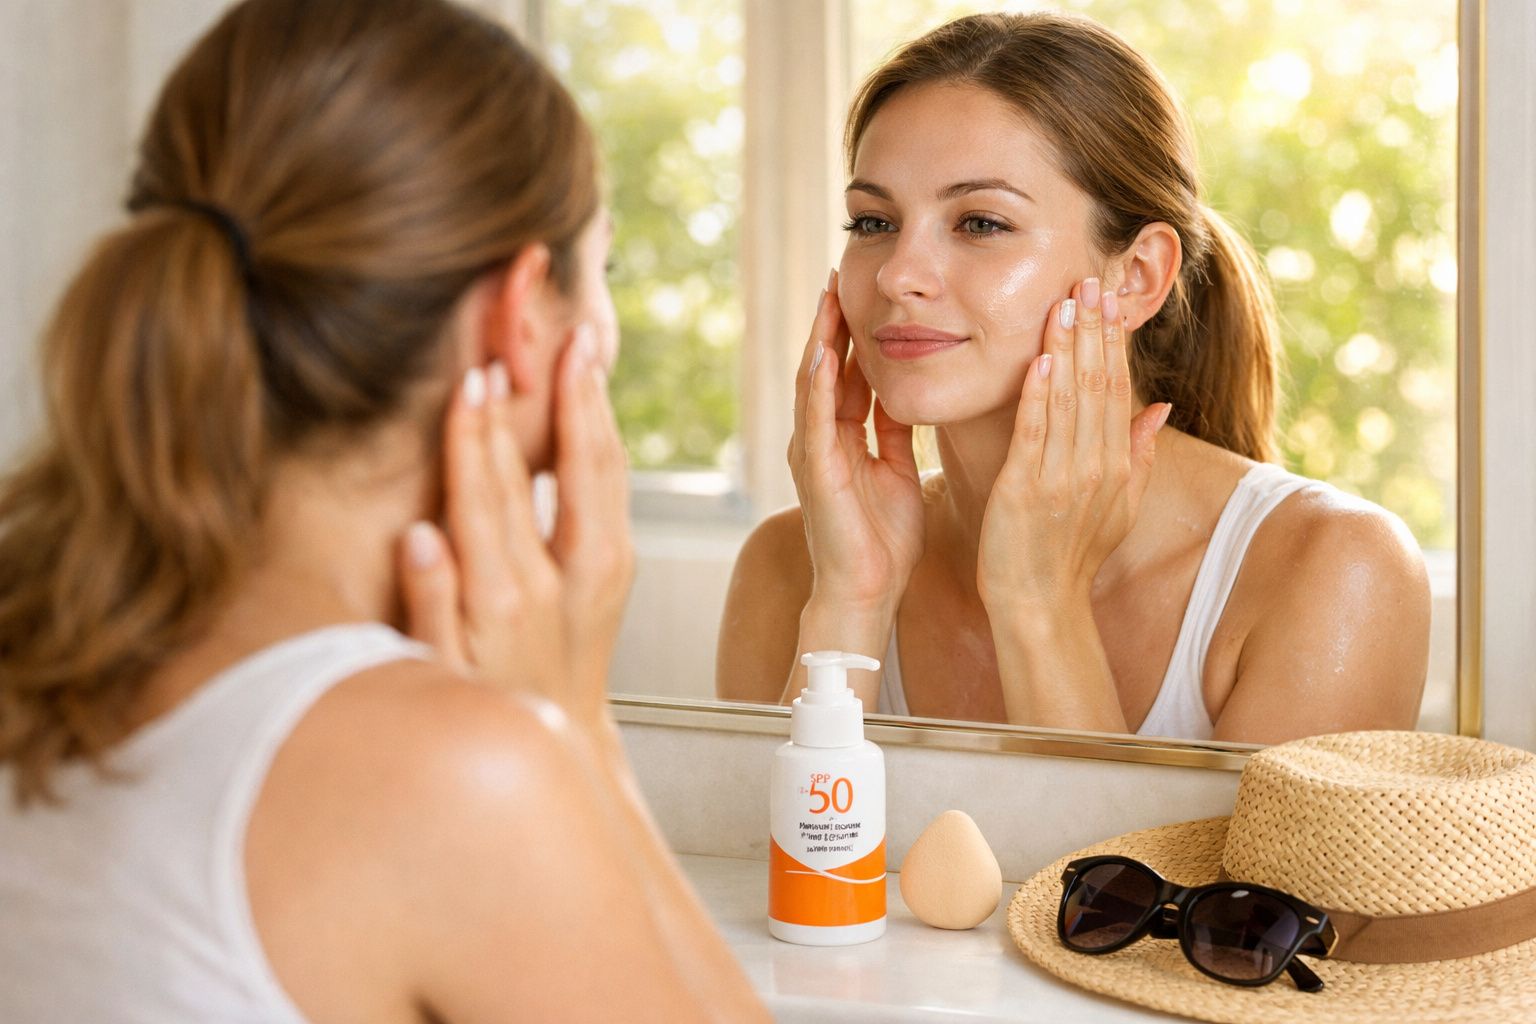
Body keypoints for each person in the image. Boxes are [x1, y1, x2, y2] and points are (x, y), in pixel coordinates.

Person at [0, 1, 767, 1020]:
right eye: (604, 269)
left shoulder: (38, 640)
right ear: (518, 316)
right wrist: (576, 727)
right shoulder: (454, 776)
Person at [717, 12, 1429, 744]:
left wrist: (1040, 603)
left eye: (981, 223)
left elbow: (1105, 832)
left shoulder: (1335, 571)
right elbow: (744, 827)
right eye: (873, 222)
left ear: (1138, 275)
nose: (898, 275)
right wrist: (851, 600)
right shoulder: (791, 568)